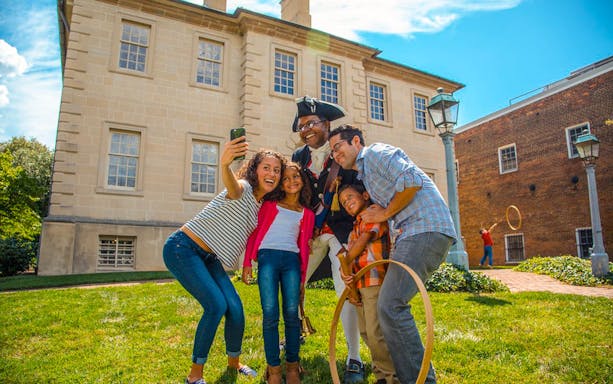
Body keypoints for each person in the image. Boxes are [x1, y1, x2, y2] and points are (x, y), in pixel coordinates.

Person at [328, 124, 456, 384]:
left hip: (424, 229)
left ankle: (419, 381)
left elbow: (412, 182)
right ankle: (406, 377)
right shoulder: (367, 175)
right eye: (331, 152)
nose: (335, 155)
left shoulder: (375, 153)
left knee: (390, 305)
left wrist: (384, 213)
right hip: (413, 233)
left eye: (338, 147)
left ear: (355, 141)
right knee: (390, 307)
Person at [163, 136, 286, 384]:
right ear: (255, 170)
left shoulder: (260, 204)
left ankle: (234, 362)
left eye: (276, 170)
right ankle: (194, 375)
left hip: (210, 258)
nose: (272, 173)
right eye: (266, 168)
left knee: (236, 309)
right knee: (216, 305)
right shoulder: (244, 187)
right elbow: (233, 187)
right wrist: (224, 165)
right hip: (183, 248)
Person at [290, 96, 365, 383]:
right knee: (291, 282)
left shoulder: (343, 152)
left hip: (341, 233)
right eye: (301, 126)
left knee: (343, 290)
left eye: (311, 123)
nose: (306, 129)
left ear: (326, 124)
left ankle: (354, 358)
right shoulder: (299, 158)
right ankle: (293, 335)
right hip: (311, 233)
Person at [242, 162, 315, 384]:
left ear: (302, 181)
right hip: (268, 259)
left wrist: (302, 279)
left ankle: (292, 367)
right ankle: (273, 369)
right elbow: (253, 233)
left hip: (292, 261)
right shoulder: (269, 205)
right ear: (281, 184)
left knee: (292, 314)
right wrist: (247, 263)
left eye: (296, 177)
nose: (292, 181)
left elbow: (305, 248)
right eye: (286, 178)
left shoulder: (308, 214)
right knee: (270, 313)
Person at [337, 184, 398, 384]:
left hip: (374, 281)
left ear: (365, 195)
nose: (347, 202)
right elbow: (347, 259)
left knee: (375, 332)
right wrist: (345, 273)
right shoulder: (354, 227)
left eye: (350, 197)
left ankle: (392, 377)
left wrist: (346, 259)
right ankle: (380, 375)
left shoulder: (373, 216)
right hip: (361, 285)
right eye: (343, 202)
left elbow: (361, 244)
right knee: (365, 332)